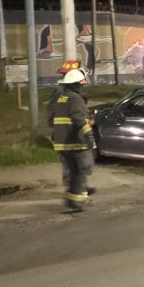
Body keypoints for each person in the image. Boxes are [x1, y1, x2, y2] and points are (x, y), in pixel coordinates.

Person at [48, 69, 95, 212]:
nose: (82, 86)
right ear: (76, 85)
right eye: (81, 84)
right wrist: (89, 137)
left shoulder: (60, 98)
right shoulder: (75, 98)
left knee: (74, 171)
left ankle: (73, 197)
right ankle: (75, 201)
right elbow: (79, 121)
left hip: (61, 143)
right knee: (80, 171)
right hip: (74, 142)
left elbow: (51, 120)